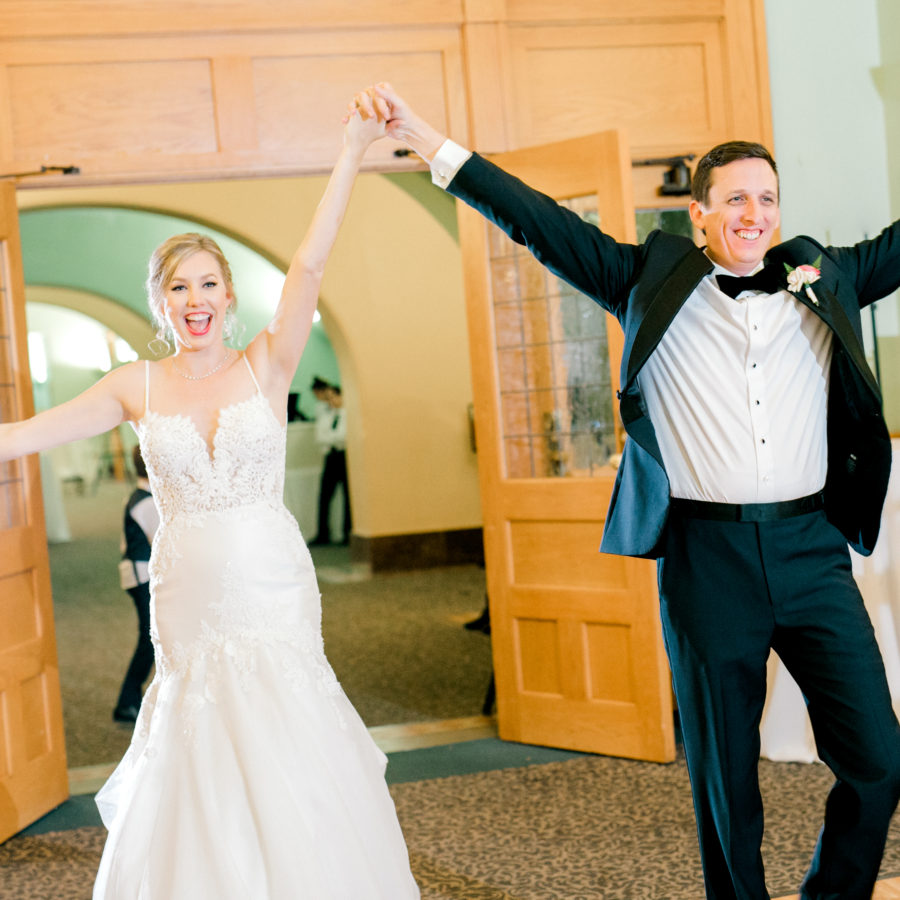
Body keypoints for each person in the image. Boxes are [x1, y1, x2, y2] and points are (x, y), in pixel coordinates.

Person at [354, 83, 900, 900]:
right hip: (706, 557)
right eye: (735, 199)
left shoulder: (830, 280)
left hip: (811, 551)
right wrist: (426, 140)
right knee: (726, 776)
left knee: (880, 760)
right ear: (699, 214)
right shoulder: (646, 281)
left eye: (767, 198)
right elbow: (535, 220)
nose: (754, 213)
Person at [0, 98, 419, 899]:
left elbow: (310, 267)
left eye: (208, 284)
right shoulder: (136, 385)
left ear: (228, 296)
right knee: (199, 728)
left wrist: (352, 152)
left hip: (271, 581)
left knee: (285, 723)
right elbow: (23, 436)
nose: (195, 300)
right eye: (178, 287)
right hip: (187, 586)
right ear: (161, 302)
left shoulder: (267, 363)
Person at [112, 444, 159, 724]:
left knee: (151, 636)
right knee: (150, 637)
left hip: (138, 572)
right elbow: (162, 541)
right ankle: (127, 701)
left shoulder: (139, 497)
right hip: (143, 575)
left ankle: (131, 699)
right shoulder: (147, 503)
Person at [309, 376, 351, 545]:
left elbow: (344, 437)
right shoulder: (327, 416)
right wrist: (334, 439)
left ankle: (348, 532)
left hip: (345, 456)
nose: (331, 401)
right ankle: (323, 533)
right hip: (330, 457)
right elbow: (320, 437)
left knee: (348, 496)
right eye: (329, 398)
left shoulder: (348, 415)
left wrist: (332, 438)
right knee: (325, 496)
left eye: (334, 397)